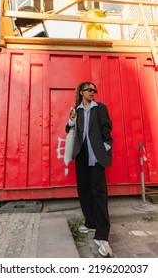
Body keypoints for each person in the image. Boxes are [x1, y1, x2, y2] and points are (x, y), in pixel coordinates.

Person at [65, 81, 113, 257]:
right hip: (81, 155)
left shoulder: (100, 108)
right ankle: (90, 222)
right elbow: (68, 129)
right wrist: (71, 120)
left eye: (94, 90)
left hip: (97, 155)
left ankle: (102, 235)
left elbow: (107, 127)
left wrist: (106, 146)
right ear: (81, 92)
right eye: (89, 90)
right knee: (84, 190)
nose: (93, 92)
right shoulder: (76, 110)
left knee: (99, 193)